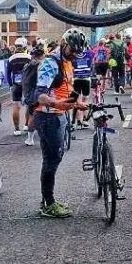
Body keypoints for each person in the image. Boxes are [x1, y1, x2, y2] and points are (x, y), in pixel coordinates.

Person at [34, 29, 89, 217]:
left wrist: (77, 103)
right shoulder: (50, 63)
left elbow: (66, 88)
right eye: (72, 51)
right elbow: (39, 95)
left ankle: (47, 201)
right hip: (49, 116)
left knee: (55, 157)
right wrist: (57, 104)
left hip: (60, 114)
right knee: (51, 159)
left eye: (77, 53)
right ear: (64, 44)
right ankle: (48, 203)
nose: (74, 55)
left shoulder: (66, 62)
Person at [4, 37, 33, 136]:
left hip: (16, 84)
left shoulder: (11, 59)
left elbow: (7, 73)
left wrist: (11, 84)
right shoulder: (29, 58)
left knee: (16, 106)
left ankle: (17, 129)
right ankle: (26, 125)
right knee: (29, 105)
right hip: (28, 84)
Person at [22, 45, 45, 147]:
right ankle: (32, 138)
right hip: (40, 92)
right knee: (38, 115)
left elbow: (25, 81)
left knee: (32, 114)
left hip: (31, 93)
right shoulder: (41, 64)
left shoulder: (27, 66)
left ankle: (30, 138)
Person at [71, 37, 94, 126]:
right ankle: (84, 119)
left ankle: (77, 121)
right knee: (85, 99)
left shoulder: (73, 54)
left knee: (77, 100)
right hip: (86, 78)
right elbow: (92, 62)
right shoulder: (89, 53)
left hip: (76, 78)